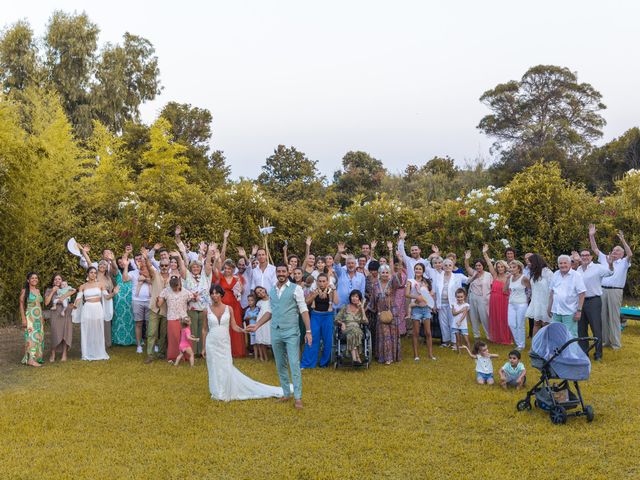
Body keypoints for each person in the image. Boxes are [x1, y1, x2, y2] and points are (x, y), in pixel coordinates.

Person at [246, 265, 312, 409]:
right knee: (280, 363)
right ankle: (286, 393)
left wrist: (308, 331)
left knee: (294, 364)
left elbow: (303, 309)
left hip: (291, 332)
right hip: (276, 331)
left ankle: (298, 397)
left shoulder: (296, 288)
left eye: (283, 271)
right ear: (276, 273)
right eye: (279, 272)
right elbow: (269, 311)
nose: (281, 274)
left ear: (288, 273)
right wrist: (257, 325)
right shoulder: (272, 290)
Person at [205, 284, 284, 401]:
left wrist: (243, 330)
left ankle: (225, 390)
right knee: (213, 366)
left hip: (224, 341)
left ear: (221, 294)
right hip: (211, 342)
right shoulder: (206, 310)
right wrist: (203, 347)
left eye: (217, 293)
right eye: (212, 293)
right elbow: (204, 329)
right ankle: (216, 391)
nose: (214, 295)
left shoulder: (229, 309)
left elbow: (234, 326)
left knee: (226, 365)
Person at [589, 225, 633, 350]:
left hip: (615, 291)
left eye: (617, 251)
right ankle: (604, 342)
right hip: (602, 290)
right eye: (613, 250)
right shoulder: (605, 258)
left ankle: (615, 344)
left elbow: (630, 253)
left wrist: (623, 240)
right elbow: (595, 249)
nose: (614, 252)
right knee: (603, 317)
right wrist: (591, 235)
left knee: (614, 317)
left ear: (622, 254)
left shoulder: (624, 262)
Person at [573, 248, 613, 360]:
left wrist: (610, 264)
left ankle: (598, 354)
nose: (585, 257)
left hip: (593, 301)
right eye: (582, 255)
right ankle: (584, 353)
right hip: (580, 302)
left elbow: (610, 272)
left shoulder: (597, 268)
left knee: (596, 328)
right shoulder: (578, 270)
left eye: (587, 255)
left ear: (591, 257)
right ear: (580, 257)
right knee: (581, 329)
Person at [179, 241, 213, 358]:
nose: (195, 268)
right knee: (192, 329)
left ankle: (202, 350)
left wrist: (208, 252)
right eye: (193, 267)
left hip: (204, 307)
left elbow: (208, 262)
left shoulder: (206, 276)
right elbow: (183, 268)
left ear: (200, 268)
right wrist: (191, 295)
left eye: (198, 266)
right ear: (190, 268)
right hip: (192, 306)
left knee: (204, 329)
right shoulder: (187, 276)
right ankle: (192, 351)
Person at [301, 272, 338, 368]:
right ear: (317, 282)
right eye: (320, 281)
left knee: (328, 340)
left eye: (324, 281)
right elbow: (306, 302)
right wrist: (314, 296)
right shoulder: (314, 290)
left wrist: (334, 290)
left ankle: (324, 363)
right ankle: (308, 363)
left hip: (328, 316)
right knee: (312, 339)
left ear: (327, 282)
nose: (322, 283)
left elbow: (337, 302)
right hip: (315, 316)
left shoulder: (330, 290)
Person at [142, 247, 172, 363]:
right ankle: (150, 355)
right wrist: (146, 257)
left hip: (167, 310)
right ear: (159, 266)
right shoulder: (155, 275)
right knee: (152, 333)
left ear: (169, 267)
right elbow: (149, 266)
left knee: (164, 334)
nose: (164, 267)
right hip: (154, 309)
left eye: (166, 266)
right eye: (162, 266)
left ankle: (161, 353)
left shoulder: (173, 278)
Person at [74, 267, 110, 361]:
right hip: (87, 308)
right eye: (91, 272)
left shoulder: (100, 284)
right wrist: (75, 305)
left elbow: (106, 297)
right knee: (87, 330)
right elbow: (78, 298)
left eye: (95, 273)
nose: (93, 274)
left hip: (98, 308)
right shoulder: (83, 286)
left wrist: (114, 293)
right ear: (87, 274)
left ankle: (99, 352)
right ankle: (86, 353)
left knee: (98, 329)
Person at [214, 256, 246, 358]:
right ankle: (223, 350)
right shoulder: (220, 277)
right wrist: (216, 258)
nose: (227, 270)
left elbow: (242, 291)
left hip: (235, 304)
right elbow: (214, 268)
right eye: (226, 268)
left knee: (235, 325)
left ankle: (237, 351)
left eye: (230, 268)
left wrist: (239, 283)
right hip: (222, 304)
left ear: (233, 269)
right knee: (223, 325)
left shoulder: (238, 277)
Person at [548, 255, 586, 338]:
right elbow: (552, 292)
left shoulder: (576, 275)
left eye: (565, 263)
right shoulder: (555, 274)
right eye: (560, 263)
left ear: (570, 264)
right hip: (556, 311)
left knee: (570, 335)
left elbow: (582, 294)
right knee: (556, 334)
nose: (562, 265)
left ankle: (572, 351)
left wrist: (579, 311)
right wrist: (549, 307)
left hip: (570, 312)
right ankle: (558, 351)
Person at [433, 258, 468, 348]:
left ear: (453, 267)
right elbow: (434, 292)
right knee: (443, 323)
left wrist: (476, 274)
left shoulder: (458, 276)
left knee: (453, 322)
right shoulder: (438, 277)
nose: (448, 267)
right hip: (441, 303)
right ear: (443, 267)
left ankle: (454, 342)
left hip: (453, 304)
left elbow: (468, 281)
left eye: (450, 265)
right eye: (446, 265)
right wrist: (434, 304)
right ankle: (446, 341)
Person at [158, 276, 195, 362]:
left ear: (179, 284)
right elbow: (160, 301)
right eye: (173, 286)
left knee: (185, 337)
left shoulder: (185, 292)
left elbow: (193, 298)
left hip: (183, 318)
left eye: (176, 286)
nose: (174, 288)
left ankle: (187, 356)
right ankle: (174, 357)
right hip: (172, 317)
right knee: (174, 338)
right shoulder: (166, 291)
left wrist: (195, 297)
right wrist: (159, 301)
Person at [373, 261, 402, 365]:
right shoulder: (375, 285)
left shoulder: (392, 283)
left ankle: (393, 357)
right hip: (381, 313)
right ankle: (385, 358)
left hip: (393, 312)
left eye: (386, 272)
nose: (384, 274)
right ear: (379, 273)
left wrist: (391, 253)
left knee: (392, 335)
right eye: (383, 272)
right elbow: (373, 300)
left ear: (389, 273)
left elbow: (398, 277)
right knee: (384, 335)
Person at [405, 263, 435, 361]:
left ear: (423, 271)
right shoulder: (410, 281)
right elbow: (407, 294)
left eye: (420, 269)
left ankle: (430, 354)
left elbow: (431, 293)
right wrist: (416, 297)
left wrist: (426, 295)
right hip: (416, 308)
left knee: (428, 332)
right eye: (416, 269)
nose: (418, 270)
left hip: (426, 308)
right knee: (416, 332)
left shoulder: (426, 282)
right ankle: (416, 355)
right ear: (414, 270)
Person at [483, 245, 512, 345]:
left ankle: (506, 338)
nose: (500, 268)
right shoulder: (495, 276)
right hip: (494, 301)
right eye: (498, 267)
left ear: (505, 267)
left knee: (505, 319)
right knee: (495, 319)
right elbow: (489, 264)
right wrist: (485, 253)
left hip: (505, 301)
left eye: (502, 266)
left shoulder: (509, 276)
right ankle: (497, 338)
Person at [45, 274, 76, 362]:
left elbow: (73, 294)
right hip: (55, 313)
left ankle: (64, 354)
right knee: (55, 333)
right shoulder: (49, 290)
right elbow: (47, 303)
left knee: (66, 332)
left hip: (66, 312)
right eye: (55, 279)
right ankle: (53, 353)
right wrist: (52, 291)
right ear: (53, 281)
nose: (57, 281)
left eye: (59, 279)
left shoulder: (66, 289)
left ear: (62, 280)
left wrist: (65, 297)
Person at [463, 252, 492, 340]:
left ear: (483, 266)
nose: (478, 267)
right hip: (472, 298)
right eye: (476, 265)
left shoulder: (488, 275)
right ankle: (476, 335)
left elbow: (491, 286)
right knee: (473, 317)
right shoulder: (473, 273)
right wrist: (467, 258)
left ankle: (489, 335)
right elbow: (467, 267)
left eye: (479, 265)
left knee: (485, 317)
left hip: (483, 299)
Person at [334, 290, 368, 363]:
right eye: (352, 296)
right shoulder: (345, 307)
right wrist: (342, 323)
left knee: (353, 332)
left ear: (359, 299)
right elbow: (336, 319)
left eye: (356, 296)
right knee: (353, 332)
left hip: (357, 330)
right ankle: (357, 358)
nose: (354, 298)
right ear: (350, 298)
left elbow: (365, 321)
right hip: (346, 329)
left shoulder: (360, 309)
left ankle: (355, 358)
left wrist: (362, 308)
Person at [504, 260, 531, 351]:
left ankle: (521, 345)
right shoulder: (510, 277)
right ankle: (518, 342)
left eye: (514, 267)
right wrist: (507, 279)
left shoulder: (524, 278)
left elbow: (530, 289)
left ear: (519, 268)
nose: (512, 269)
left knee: (520, 325)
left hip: (522, 304)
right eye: (510, 267)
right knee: (511, 324)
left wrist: (528, 298)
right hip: (511, 304)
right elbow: (504, 290)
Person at [128, 250, 152, 353]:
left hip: (149, 300)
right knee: (138, 323)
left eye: (142, 261)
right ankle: (139, 345)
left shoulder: (151, 271)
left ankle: (152, 344)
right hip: (137, 301)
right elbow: (125, 278)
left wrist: (145, 279)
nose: (141, 263)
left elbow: (153, 280)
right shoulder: (133, 273)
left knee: (149, 324)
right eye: (139, 261)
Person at [525, 254, 553, 337]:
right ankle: (534, 346)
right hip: (536, 302)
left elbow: (552, 289)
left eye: (530, 262)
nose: (528, 264)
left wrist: (550, 305)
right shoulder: (533, 273)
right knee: (536, 323)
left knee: (546, 324)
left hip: (546, 302)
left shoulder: (548, 272)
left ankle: (546, 346)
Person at [112, 249, 136, 346]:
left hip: (130, 298)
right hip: (119, 299)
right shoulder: (117, 272)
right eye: (119, 263)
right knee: (119, 318)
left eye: (122, 262)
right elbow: (113, 265)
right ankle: (119, 340)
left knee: (131, 318)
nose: (121, 263)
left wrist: (126, 253)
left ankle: (131, 339)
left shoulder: (132, 272)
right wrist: (113, 259)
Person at [20, 272, 44, 367]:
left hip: (38, 318)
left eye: (36, 278)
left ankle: (37, 358)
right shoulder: (25, 291)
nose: (35, 279)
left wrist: (42, 318)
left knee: (38, 337)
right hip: (30, 317)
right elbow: (21, 305)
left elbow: (39, 305)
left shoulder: (37, 291)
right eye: (32, 278)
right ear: (28, 280)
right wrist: (23, 319)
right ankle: (30, 359)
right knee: (31, 338)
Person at [334, 244, 367, 309]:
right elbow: (336, 262)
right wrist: (339, 252)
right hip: (340, 306)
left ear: (355, 264)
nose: (350, 265)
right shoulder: (341, 272)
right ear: (346, 264)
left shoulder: (361, 276)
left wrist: (360, 306)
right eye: (348, 263)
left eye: (352, 263)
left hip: (354, 308)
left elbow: (362, 292)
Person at [253, 286, 272, 361]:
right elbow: (258, 312)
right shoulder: (259, 303)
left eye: (261, 290)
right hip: (262, 321)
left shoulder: (272, 299)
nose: (260, 293)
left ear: (264, 289)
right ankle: (265, 357)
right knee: (262, 338)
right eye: (258, 293)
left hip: (270, 320)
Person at [451, 288, 471, 353]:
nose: (460, 298)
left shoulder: (466, 305)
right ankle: (459, 352)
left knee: (466, 339)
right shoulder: (454, 304)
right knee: (458, 339)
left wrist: (459, 321)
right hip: (455, 324)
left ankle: (469, 352)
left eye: (461, 297)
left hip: (463, 324)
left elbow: (464, 314)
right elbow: (453, 313)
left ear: (464, 296)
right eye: (458, 297)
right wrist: (460, 310)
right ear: (456, 297)